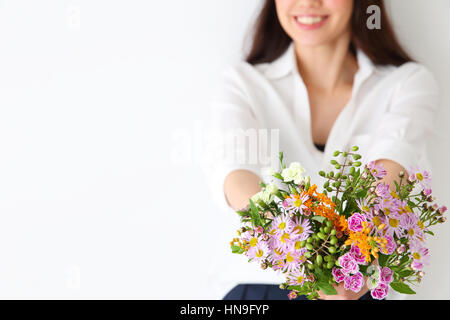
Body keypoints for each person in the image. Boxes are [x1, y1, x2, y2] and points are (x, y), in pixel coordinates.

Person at [205, 0, 439, 300]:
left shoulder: (405, 84)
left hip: (356, 288)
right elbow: (235, 173)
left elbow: (389, 175)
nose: (308, 2)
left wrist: (349, 266)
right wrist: (307, 264)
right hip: (259, 289)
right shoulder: (242, 83)